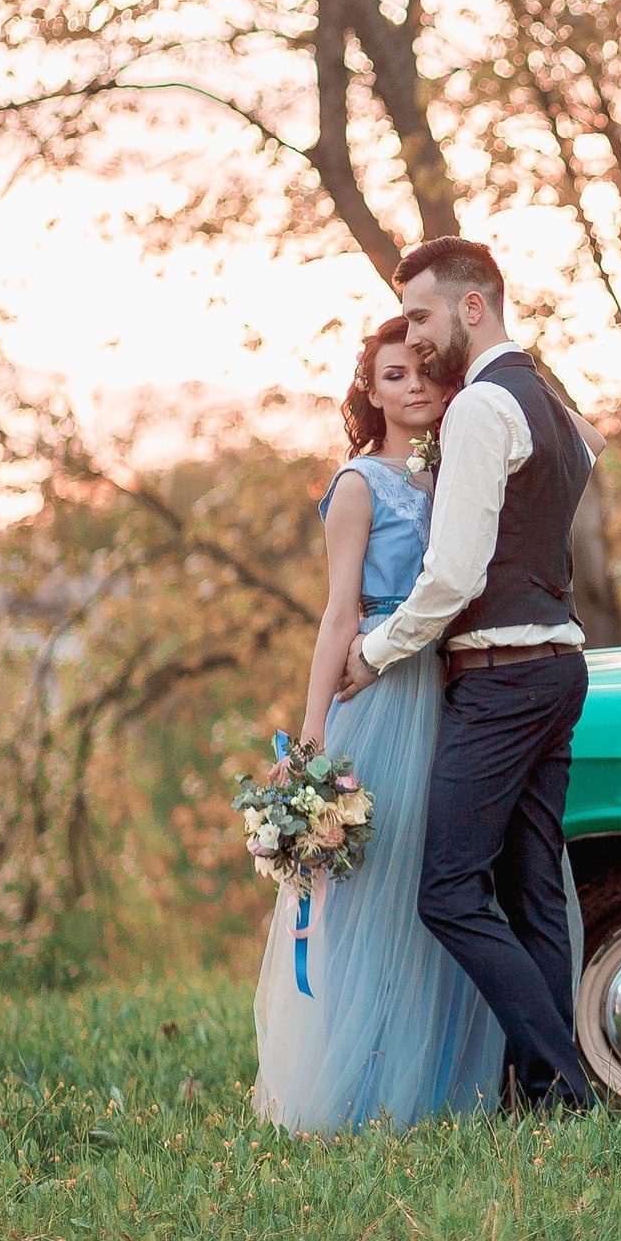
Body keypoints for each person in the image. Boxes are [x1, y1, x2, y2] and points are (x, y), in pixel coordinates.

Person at [337, 237, 602, 1114]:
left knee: (449, 893)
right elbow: (592, 449)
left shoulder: (484, 406)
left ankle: (563, 1081)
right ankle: (549, 1094)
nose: (414, 334)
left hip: (502, 679)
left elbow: (452, 576)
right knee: (532, 894)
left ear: (472, 307)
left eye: (421, 315)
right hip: (557, 667)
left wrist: (374, 653)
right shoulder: (543, 399)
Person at [250, 317, 506, 1133]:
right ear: (371, 391)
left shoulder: (456, 467)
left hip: (456, 686)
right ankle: (362, 1090)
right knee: (377, 887)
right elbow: (338, 614)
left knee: (443, 885)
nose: (416, 386)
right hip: (385, 693)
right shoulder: (358, 484)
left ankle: (441, 1084)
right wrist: (312, 734)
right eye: (396, 375)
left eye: (427, 369)